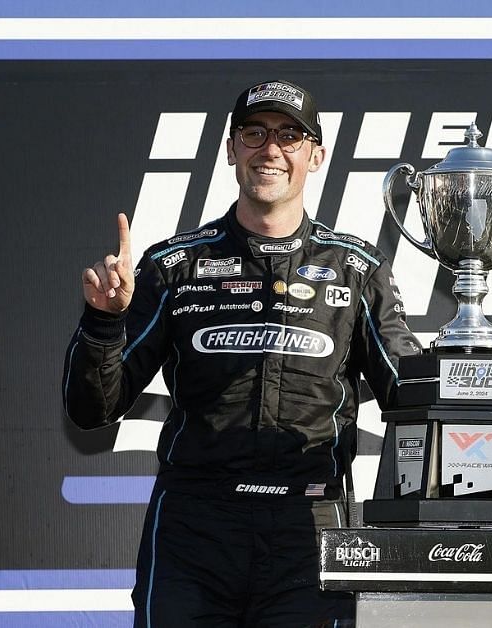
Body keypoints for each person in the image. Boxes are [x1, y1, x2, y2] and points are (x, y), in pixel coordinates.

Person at [62, 79, 420, 626]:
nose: (270, 150)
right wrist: (104, 322)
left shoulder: (356, 268)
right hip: (194, 527)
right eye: (254, 134)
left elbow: (409, 394)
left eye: (289, 136)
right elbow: (92, 410)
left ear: (315, 155)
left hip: (311, 527)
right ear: (231, 149)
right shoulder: (173, 266)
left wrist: (467, 371)